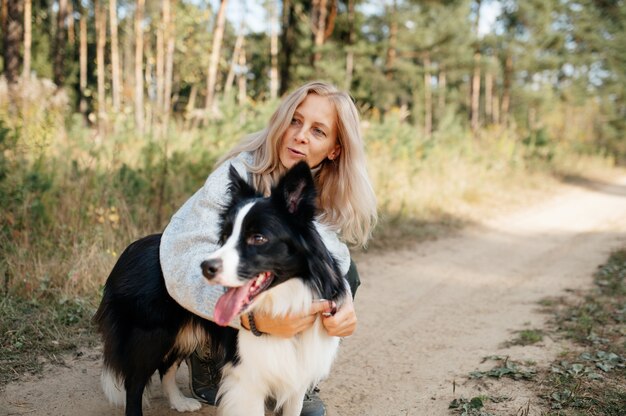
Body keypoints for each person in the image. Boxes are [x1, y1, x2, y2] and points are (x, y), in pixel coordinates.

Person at [159, 81, 377, 416]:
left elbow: (331, 260)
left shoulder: (322, 189)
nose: (301, 135)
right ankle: (209, 358)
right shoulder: (235, 175)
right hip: (208, 302)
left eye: (318, 131)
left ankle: (297, 379)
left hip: (263, 293)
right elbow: (183, 262)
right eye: (295, 120)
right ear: (281, 122)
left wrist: (342, 303)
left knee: (348, 274)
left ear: (335, 149)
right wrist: (252, 321)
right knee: (228, 270)